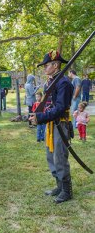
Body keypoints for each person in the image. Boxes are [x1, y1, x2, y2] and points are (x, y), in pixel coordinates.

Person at [29, 50, 73, 204]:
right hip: (50, 124)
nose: (44, 68)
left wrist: (40, 117)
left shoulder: (64, 83)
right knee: (51, 156)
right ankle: (59, 187)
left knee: (60, 157)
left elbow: (60, 108)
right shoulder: (51, 81)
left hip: (61, 123)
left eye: (46, 65)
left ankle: (67, 191)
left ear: (55, 65)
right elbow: (48, 104)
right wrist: (37, 115)